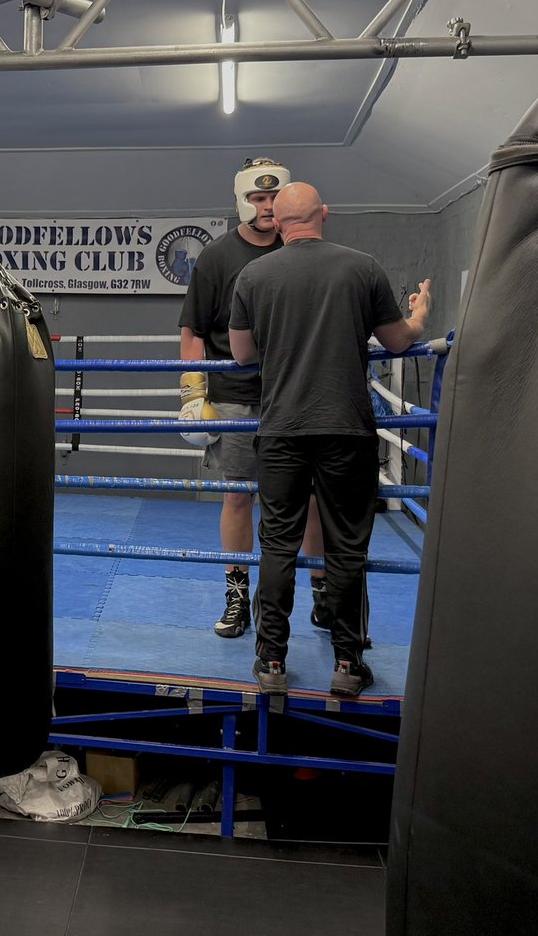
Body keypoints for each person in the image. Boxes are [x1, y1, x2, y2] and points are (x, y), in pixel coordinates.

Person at [229, 182, 430, 697]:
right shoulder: (362, 267)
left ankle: (271, 662)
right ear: (324, 214)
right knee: (346, 547)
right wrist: (421, 314)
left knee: (278, 545)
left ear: (277, 221)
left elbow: (242, 354)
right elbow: (397, 341)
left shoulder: (253, 274)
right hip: (345, 428)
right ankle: (346, 662)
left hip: (281, 430)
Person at [179, 158, 329, 639]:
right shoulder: (218, 257)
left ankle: (323, 594)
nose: (267, 207)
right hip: (238, 397)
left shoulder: (305, 250)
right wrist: (192, 391)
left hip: (298, 393)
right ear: (244, 202)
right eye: (258, 199)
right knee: (239, 496)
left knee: (308, 498)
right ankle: (237, 595)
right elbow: (193, 329)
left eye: (273, 198)